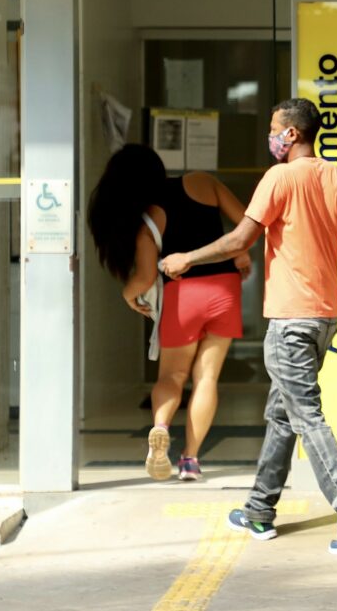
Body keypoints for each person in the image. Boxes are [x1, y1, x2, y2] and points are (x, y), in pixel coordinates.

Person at [159, 98, 337, 555]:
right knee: (282, 414)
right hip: (323, 319)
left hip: (290, 321)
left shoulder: (278, 178)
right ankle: (259, 510)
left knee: (306, 415)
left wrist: (186, 259)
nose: (269, 137)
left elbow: (241, 239)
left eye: (273, 128)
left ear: (291, 133)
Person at [87, 144, 251, 482]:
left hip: (183, 296)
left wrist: (127, 294)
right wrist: (240, 252)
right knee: (206, 378)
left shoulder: (147, 218)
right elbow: (248, 225)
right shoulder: (202, 182)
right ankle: (190, 459)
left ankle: (161, 428)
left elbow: (146, 277)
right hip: (224, 290)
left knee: (172, 377)